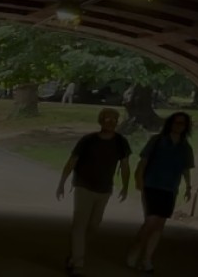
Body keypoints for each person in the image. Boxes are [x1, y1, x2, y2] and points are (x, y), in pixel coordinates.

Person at [56, 108, 131, 276]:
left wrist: (125, 186)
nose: (110, 122)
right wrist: (62, 182)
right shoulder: (88, 140)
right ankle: (78, 262)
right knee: (79, 225)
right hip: (83, 186)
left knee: (94, 225)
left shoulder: (121, 142)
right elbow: (72, 161)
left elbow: (125, 166)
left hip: (104, 189)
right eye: (107, 119)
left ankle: (75, 254)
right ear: (101, 121)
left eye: (114, 120)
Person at [127, 111, 196, 274]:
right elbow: (143, 161)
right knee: (150, 221)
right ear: (170, 124)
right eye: (176, 122)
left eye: (182, 124)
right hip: (152, 185)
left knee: (159, 225)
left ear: (186, 127)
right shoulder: (157, 141)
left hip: (170, 188)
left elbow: (186, 169)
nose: (179, 126)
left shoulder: (185, 147)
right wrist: (139, 181)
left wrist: (188, 186)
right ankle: (136, 249)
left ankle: (147, 259)